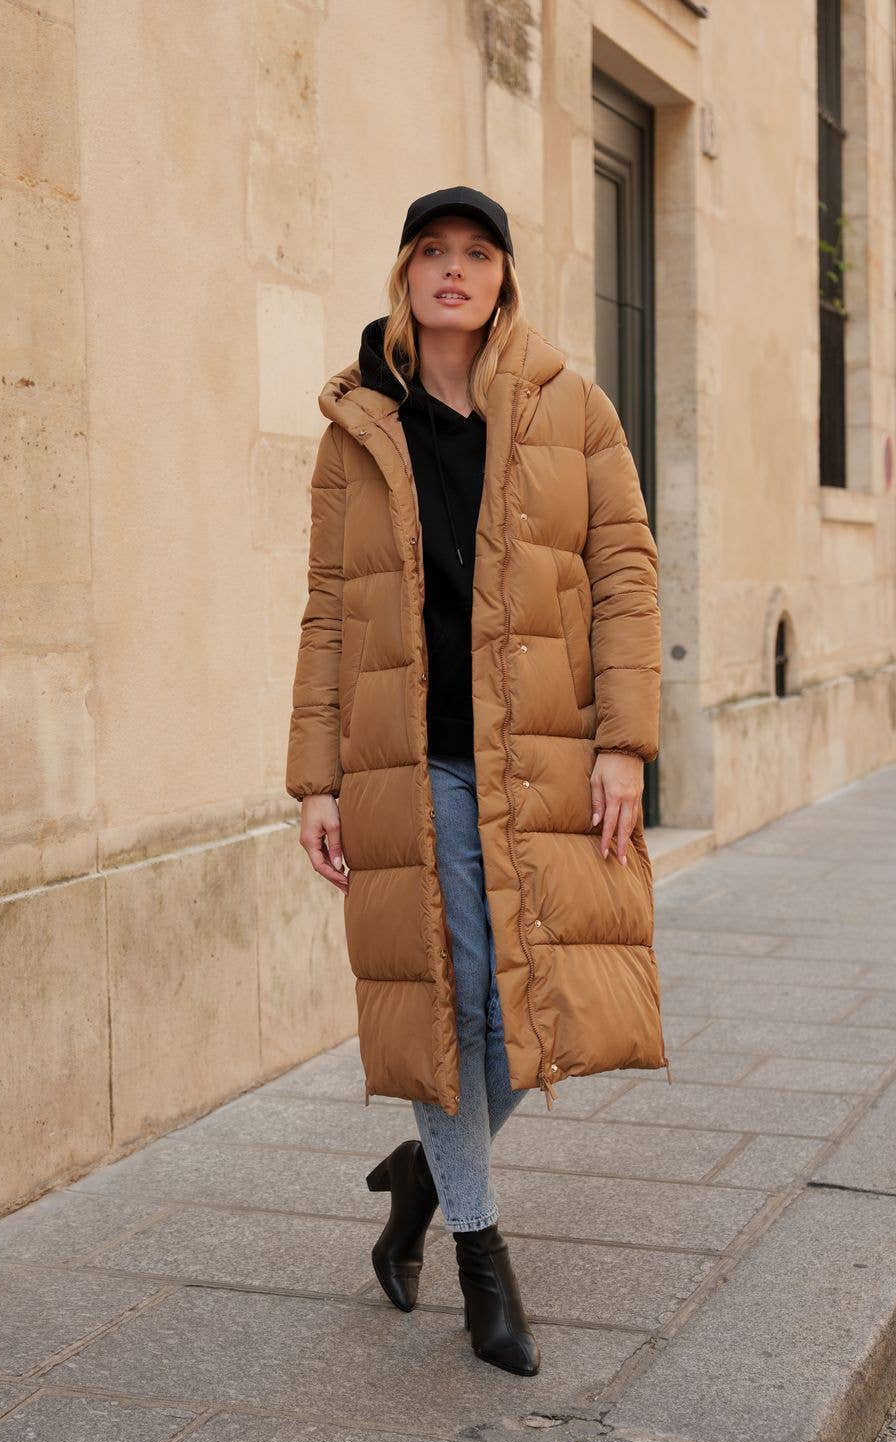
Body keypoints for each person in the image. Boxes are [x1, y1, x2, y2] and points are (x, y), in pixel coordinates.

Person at [285, 186, 666, 1379]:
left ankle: (418, 1182)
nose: (454, 271)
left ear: (504, 277)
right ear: (404, 272)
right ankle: (480, 1256)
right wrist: (315, 779)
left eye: (477, 254)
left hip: (544, 752)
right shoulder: (356, 427)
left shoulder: (574, 408)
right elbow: (328, 614)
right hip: (415, 759)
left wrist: (624, 741)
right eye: (433, 253)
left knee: (524, 1007)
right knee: (453, 1003)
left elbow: (625, 575)